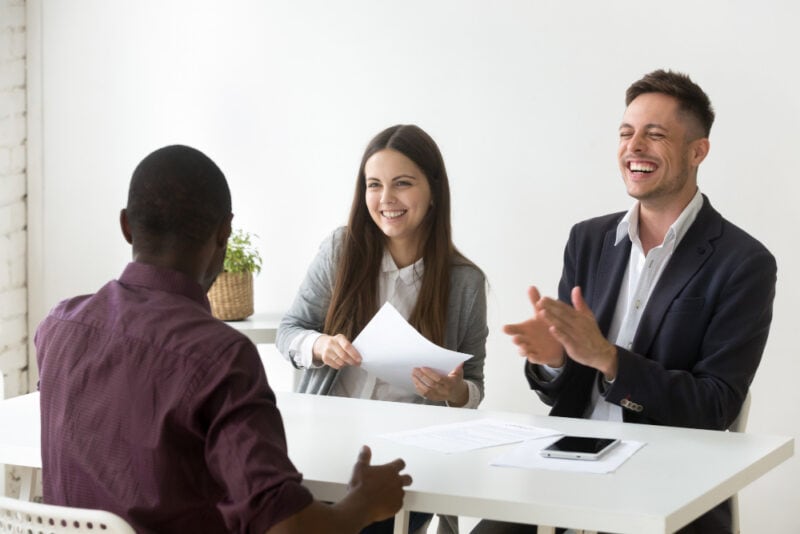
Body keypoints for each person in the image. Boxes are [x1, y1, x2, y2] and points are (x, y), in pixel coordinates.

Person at [35, 145, 413, 534]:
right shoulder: (220, 357)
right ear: (224, 233)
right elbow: (288, 529)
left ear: (127, 226)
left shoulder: (59, 327)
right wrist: (363, 503)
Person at [474, 70, 777, 534]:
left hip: (668, 480)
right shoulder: (588, 240)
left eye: (655, 135)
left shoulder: (744, 262)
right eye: (626, 133)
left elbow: (716, 405)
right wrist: (555, 360)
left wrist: (609, 359)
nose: (634, 146)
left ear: (698, 151)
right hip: (567, 462)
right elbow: (564, 389)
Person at [277, 124, 488, 533]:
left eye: (402, 184)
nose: (386, 199)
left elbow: (473, 385)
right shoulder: (341, 250)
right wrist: (320, 345)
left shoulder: (465, 282)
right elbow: (290, 332)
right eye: (374, 185)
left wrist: (454, 392)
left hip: (404, 461)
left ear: (434, 191)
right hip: (326, 449)